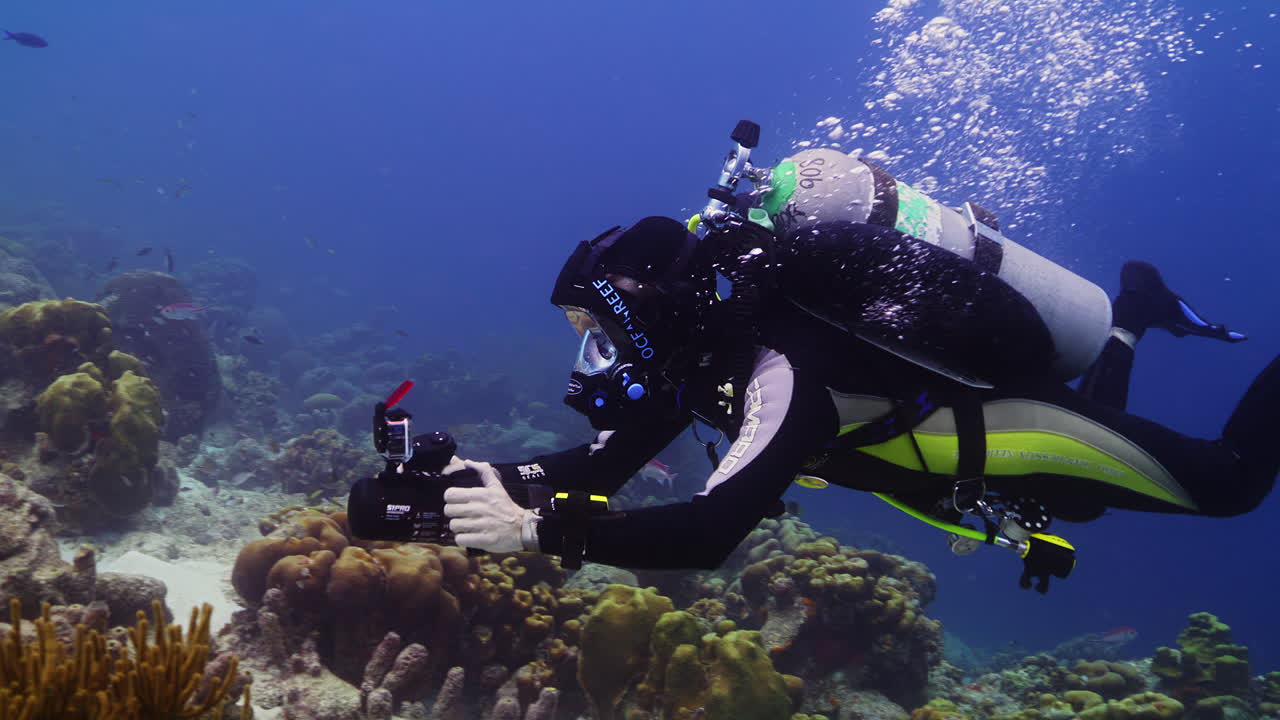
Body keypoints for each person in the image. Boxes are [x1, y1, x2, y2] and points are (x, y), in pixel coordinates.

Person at [441, 152, 1276, 593]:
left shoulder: (780, 367)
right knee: (1083, 502)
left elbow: (705, 534)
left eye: (594, 328)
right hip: (961, 455)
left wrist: (534, 534)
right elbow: (599, 468)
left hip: (1009, 424)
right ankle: (1132, 311)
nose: (594, 354)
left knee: (1230, 482)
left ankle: (1133, 315)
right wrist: (477, 479)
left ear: (640, 305)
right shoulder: (701, 361)